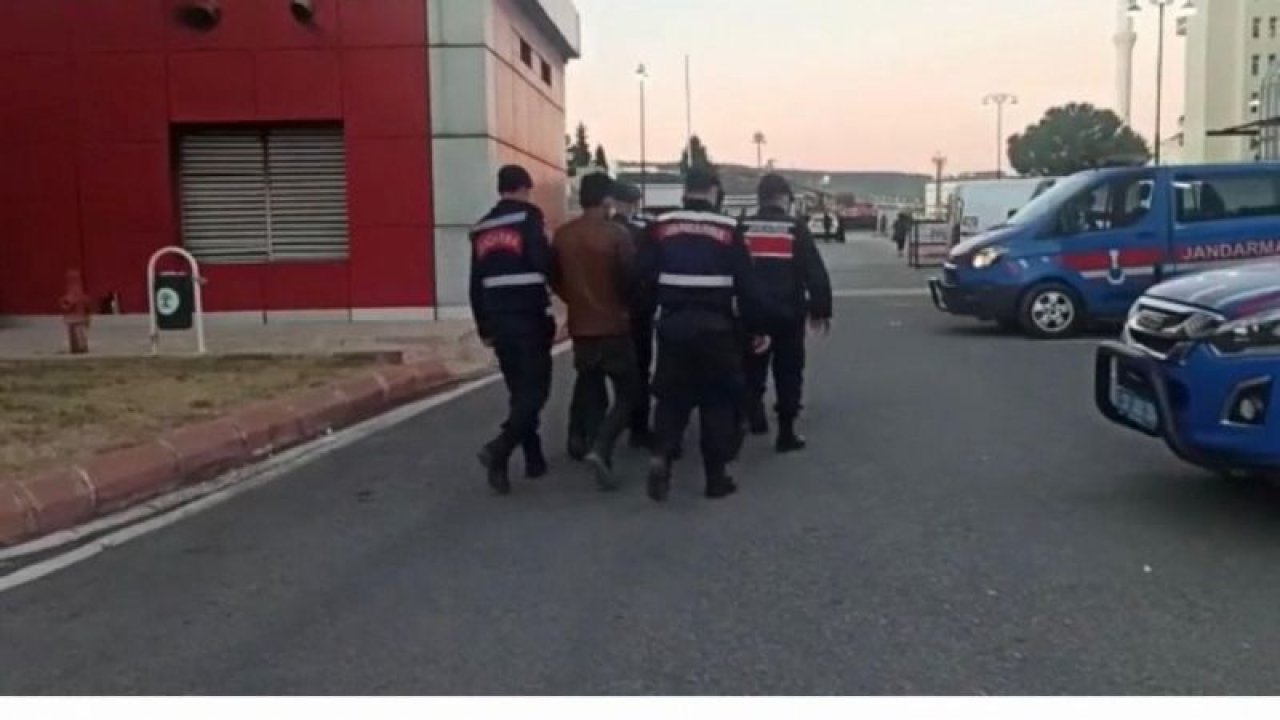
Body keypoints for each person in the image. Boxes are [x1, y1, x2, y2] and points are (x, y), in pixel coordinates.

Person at [637, 168, 769, 503]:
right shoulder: (728, 229)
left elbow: (640, 277)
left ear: (685, 190)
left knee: (671, 397)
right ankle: (715, 477)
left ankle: (662, 455)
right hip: (716, 327)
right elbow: (748, 284)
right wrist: (757, 328)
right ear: (713, 191)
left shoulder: (660, 226)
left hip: (673, 325)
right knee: (718, 400)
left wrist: (644, 318)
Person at [551, 173, 639, 490]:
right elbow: (631, 281)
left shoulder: (562, 236)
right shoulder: (617, 235)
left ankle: (582, 439)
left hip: (581, 326)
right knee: (629, 392)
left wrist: (574, 299)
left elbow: (555, 278)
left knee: (589, 386)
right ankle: (602, 446)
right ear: (607, 201)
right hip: (614, 325)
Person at [470, 165, 555, 495]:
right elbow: (542, 261)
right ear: (524, 188)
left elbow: (475, 283)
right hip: (529, 316)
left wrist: (483, 327)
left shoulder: (481, 228)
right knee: (537, 391)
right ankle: (500, 447)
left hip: (498, 319)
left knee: (519, 390)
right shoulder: (528, 218)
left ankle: (533, 459)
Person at [741, 174, 834, 453]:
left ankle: (753, 417)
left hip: (751, 314)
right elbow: (814, 272)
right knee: (788, 372)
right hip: (787, 313)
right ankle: (786, 433)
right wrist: (821, 310)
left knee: (751, 369)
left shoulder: (742, 227)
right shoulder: (795, 229)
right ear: (783, 198)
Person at [609, 181, 658, 449]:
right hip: (639, 311)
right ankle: (638, 427)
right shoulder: (643, 231)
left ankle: (590, 430)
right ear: (634, 203)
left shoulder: (603, 230)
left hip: (606, 310)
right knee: (640, 368)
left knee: (605, 372)